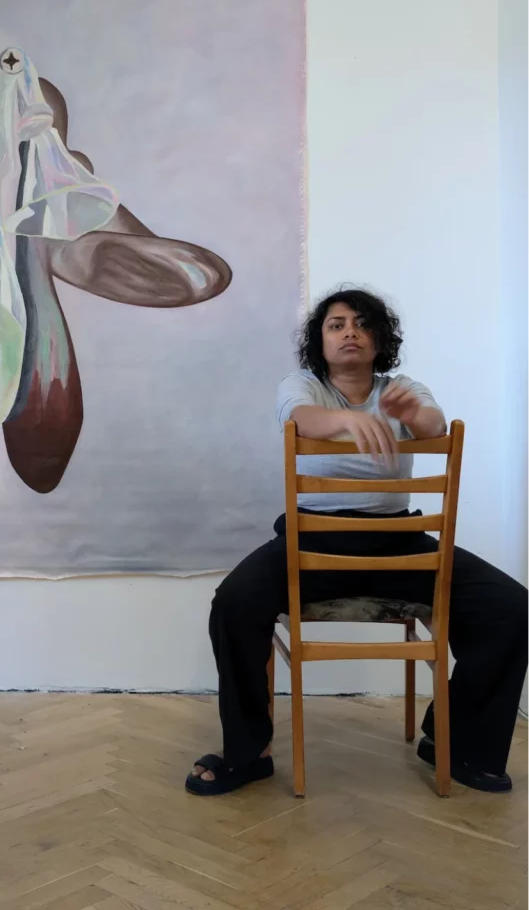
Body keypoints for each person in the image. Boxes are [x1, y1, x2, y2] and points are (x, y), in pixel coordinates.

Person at [187, 288, 527, 796]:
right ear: (320, 341)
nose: (350, 332)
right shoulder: (303, 386)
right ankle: (248, 753)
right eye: (337, 324)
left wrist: (413, 415)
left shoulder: (403, 388)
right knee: (233, 604)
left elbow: (434, 423)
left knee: (510, 607)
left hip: (400, 545)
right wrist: (348, 418)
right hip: (311, 546)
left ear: (380, 340)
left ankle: (457, 743)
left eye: (362, 324)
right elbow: (299, 417)